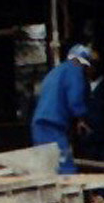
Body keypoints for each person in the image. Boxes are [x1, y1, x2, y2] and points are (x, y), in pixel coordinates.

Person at [30, 43, 100, 174]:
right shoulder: (75, 71)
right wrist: (82, 118)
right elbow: (75, 99)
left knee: (47, 169)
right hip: (53, 126)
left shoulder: (55, 71)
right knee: (65, 168)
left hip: (39, 125)